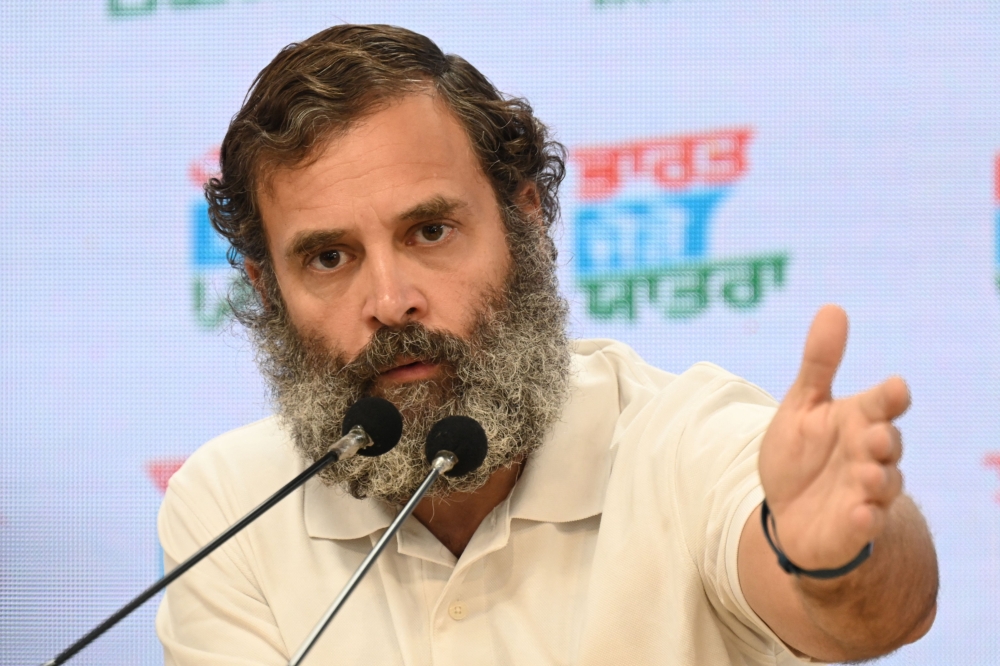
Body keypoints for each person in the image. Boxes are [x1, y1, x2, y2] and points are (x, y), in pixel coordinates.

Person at [155, 24, 938, 665]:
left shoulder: (680, 441)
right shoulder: (231, 506)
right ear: (267, 290)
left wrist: (833, 559)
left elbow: (872, 615)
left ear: (525, 219)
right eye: (329, 257)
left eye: (430, 231)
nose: (391, 302)